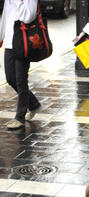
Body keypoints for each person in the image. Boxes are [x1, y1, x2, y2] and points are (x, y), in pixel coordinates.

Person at [0, 0, 41, 130]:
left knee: (21, 81)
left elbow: (28, 17)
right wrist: (0, 37)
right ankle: (33, 104)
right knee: (10, 78)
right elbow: (5, 17)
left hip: (23, 43)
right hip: (10, 44)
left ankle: (20, 117)